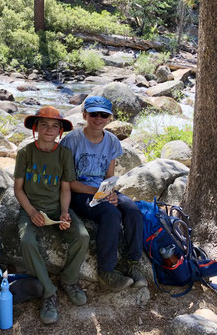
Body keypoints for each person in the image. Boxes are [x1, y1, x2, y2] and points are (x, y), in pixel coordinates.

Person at [60, 96, 147, 292]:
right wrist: (96, 192)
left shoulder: (112, 141)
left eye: (104, 114)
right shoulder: (72, 141)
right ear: (84, 115)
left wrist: (111, 193)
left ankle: (133, 263)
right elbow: (67, 182)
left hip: (101, 191)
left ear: (109, 118)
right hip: (79, 192)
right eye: (94, 114)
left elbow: (109, 176)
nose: (98, 118)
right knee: (111, 214)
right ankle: (106, 272)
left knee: (132, 210)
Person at [14, 106, 90, 324]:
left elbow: (66, 188)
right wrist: (31, 212)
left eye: (54, 125)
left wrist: (65, 213)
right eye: (44, 124)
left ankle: (69, 280)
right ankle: (49, 292)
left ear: (60, 131)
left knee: (82, 236)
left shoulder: (64, 154)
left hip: (57, 208)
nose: (49, 129)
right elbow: (18, 189)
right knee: (27, 241)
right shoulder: (25, 153)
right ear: (35, 128)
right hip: (31, 208)